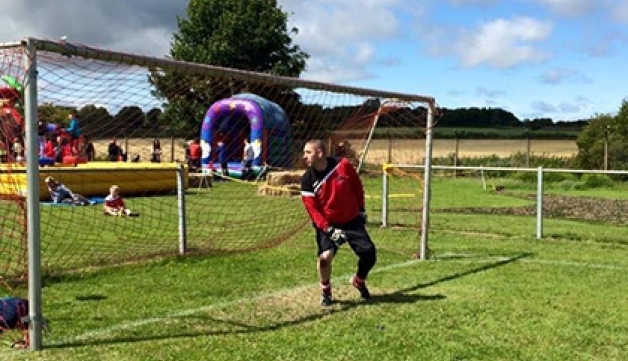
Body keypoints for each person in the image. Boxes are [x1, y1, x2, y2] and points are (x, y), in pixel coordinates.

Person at [300, 139, 377, 306]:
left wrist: (361, 209)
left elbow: (357, 186)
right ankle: (326, 292)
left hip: (351, 219)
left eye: (308, 152)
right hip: (328, 223)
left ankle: (359, 280)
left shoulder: (342, 165)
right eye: (304, 153)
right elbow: (313, 211)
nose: (304, 156)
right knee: (324, 258)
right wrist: (329, 230)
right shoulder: (307, 179)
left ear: (320, 153)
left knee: (369, 254)